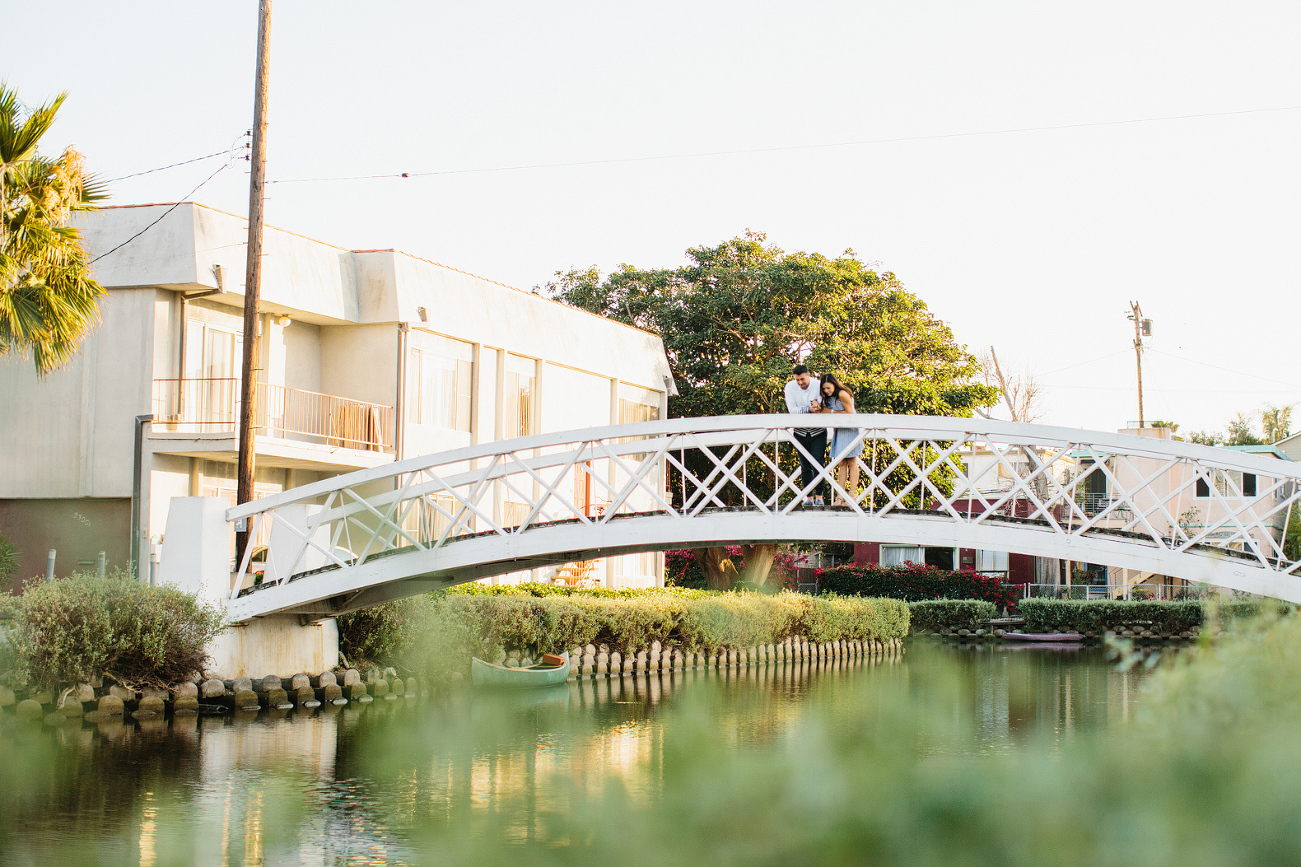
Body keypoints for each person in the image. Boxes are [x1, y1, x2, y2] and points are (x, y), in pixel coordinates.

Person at [784, 363, 828, 505]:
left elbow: (822, 406)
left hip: (818, 431)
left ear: (809, 375)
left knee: (819, 464)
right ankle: (808, 498)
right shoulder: (790, 387)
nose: (800, 383)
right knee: (805, 466)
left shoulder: (819, 385)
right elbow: (792, 410)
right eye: (797, 380)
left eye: (802, 379)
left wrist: (816, 406)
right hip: (800, 431)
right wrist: (809, 408)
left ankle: (819, 498)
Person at [819, 373, 862, 507]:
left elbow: (849, 413)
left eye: (828, 388)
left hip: (849, 429)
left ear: (834, 384)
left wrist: (829, 412)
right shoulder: (828, 398)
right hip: (839, 430)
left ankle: (852, 495)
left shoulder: (842, 394)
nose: (827, 391)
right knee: (841, 463)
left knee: (852, 461)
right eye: (824, 389)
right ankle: (839, 496)